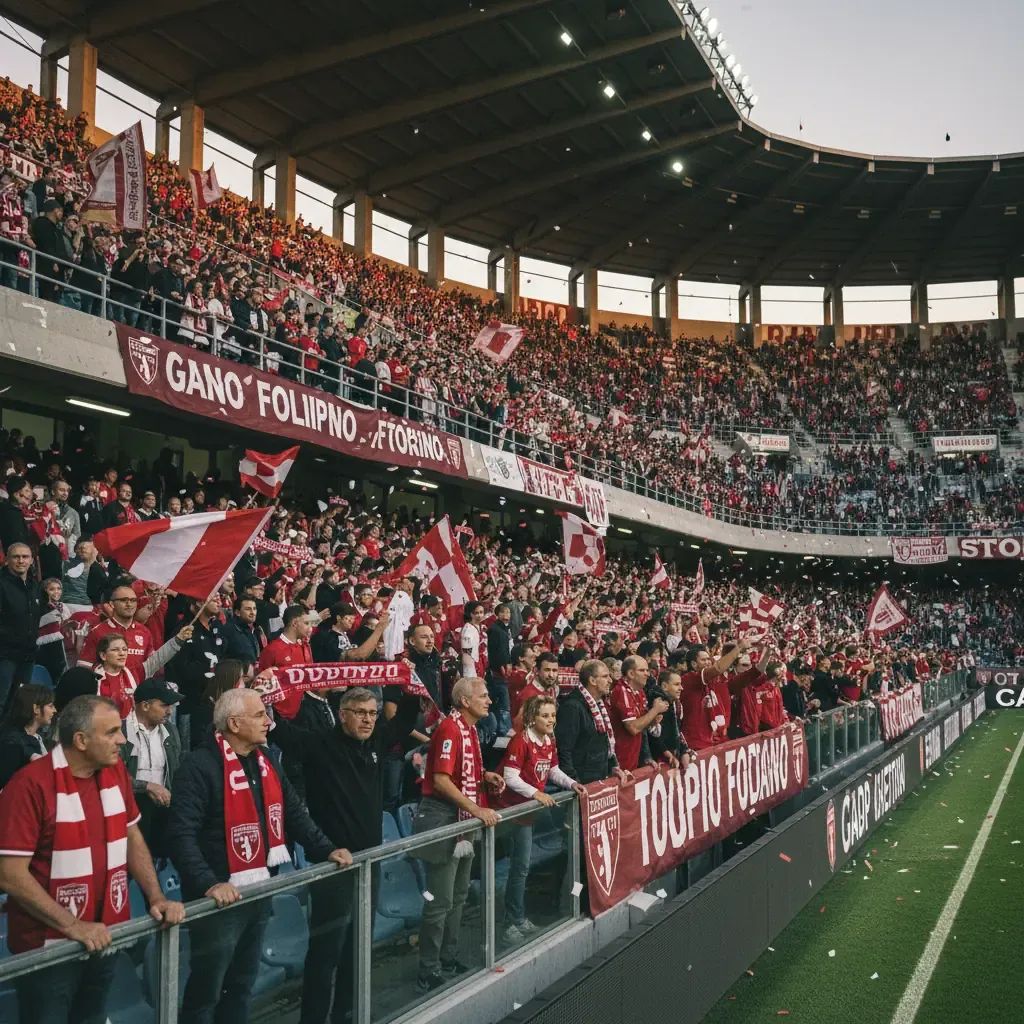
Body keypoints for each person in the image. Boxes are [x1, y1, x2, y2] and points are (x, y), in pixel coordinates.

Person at [167, 688, 352, 1024]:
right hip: (218, 902)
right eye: (259, 715)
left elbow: (293, 813)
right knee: (206, 992)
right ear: (234, 723)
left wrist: (325, 848)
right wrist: (210, 884)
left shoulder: (266, 761)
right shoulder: (198, 766)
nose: (269, 722)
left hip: (258, 891)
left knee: (240, 985)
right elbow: (181, 835)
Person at [0, 695, 184, 1020]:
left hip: (105, 935)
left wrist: (156, 896)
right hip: (48, 949)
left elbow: (131, 836)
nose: (122, 739)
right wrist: (73, 926)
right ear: (81, 740)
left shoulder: (115, 775)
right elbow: (9, 874)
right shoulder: (29, 785)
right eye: (112, 732)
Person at [268, 686, 420, 1024]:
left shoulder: (377, 740)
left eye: (372, 713)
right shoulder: (320, 744)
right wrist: (266, 694)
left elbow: (404, 721)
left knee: (359, 948)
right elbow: (278, 730)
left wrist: (409, 689)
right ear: (343, 714)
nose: (368, 720)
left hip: (370, 863)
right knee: (326, 953)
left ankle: (347, 1015)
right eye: (361, 713)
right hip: (333, 866)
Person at [413, 677, 505, 993]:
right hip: (444, 819)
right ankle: (428, 969)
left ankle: (448, 959)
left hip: (462, 819)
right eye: (483, 695)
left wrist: (484, 778)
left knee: (460, 896)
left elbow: (459, 774)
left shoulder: (467, 729)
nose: (490, 701)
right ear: (465, 701)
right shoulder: (451, 730)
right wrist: (478, 809)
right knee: (441, 901)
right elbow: (440, 780)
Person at [497, 695, 581, 943]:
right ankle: (510, 922)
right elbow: (510, 777)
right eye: (545, 715)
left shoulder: (548, 740)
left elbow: (553, 770)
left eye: (553, 715)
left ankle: (516, 917)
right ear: (532, 717)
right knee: (519, 868)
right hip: (511, 812)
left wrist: (572, 783)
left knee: (520, 868)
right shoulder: (519, 741)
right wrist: (537, 794)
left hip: (528, 813)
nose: (550, 720)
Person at [121, 677, 183, 857]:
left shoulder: (171, 731)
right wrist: (147, 787)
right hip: (132, 808)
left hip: (163, 808)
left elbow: (176, 770)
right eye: (164, 705)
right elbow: (112, 777)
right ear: (145, 706)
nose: (170, 711)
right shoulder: (121, 731)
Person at [555, 659, 630, 786]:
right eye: (605, 676)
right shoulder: (572, 707)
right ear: (592, 681)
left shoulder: (599, 703)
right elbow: (564, 750)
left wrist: (612, 766)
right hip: (582, 785)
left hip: (597, 779)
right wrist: (574, 782)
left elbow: (603, 740)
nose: (610, 680)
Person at [0, 542, 43, 714]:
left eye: (25, 557)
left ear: (31, 560)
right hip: (4, 654)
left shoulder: (35, 587)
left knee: (19, 704)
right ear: (7, 560)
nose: (20, 560)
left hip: (27, 655)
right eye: (16, 556)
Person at [608, 654, 668, 771]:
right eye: (642, 670)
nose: (647, 674)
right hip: (619, 763)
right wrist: (655, 710)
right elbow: (633, 728)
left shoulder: (639, 691)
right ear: (631, 674)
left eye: (647, 670)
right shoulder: (621, 691)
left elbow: (642, 726)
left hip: (633, 759)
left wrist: (652, 721)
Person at [0, 683, 55, 788]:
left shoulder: (38, 738)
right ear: (36, 709)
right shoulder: (12, 744)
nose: (54, 710)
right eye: (51, 706)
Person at [738, 660, 789, 736]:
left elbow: (780, 709)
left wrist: (786, 721)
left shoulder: (776, 689)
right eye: (783, 673)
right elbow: (758, 713)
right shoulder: (762, 688)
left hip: (776, 730)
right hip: (766, 731)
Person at [258, 603, 314, 671]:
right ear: (295, 623)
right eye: (306, 623)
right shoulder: (271, 650)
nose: (310, 628)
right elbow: (261, 678)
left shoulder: (305, 647)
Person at [220, 595, 268, 663]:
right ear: (237, 612)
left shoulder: (257, 630)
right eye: (248, 609)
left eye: (254, 609)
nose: (252, 612)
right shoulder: (229, 630)